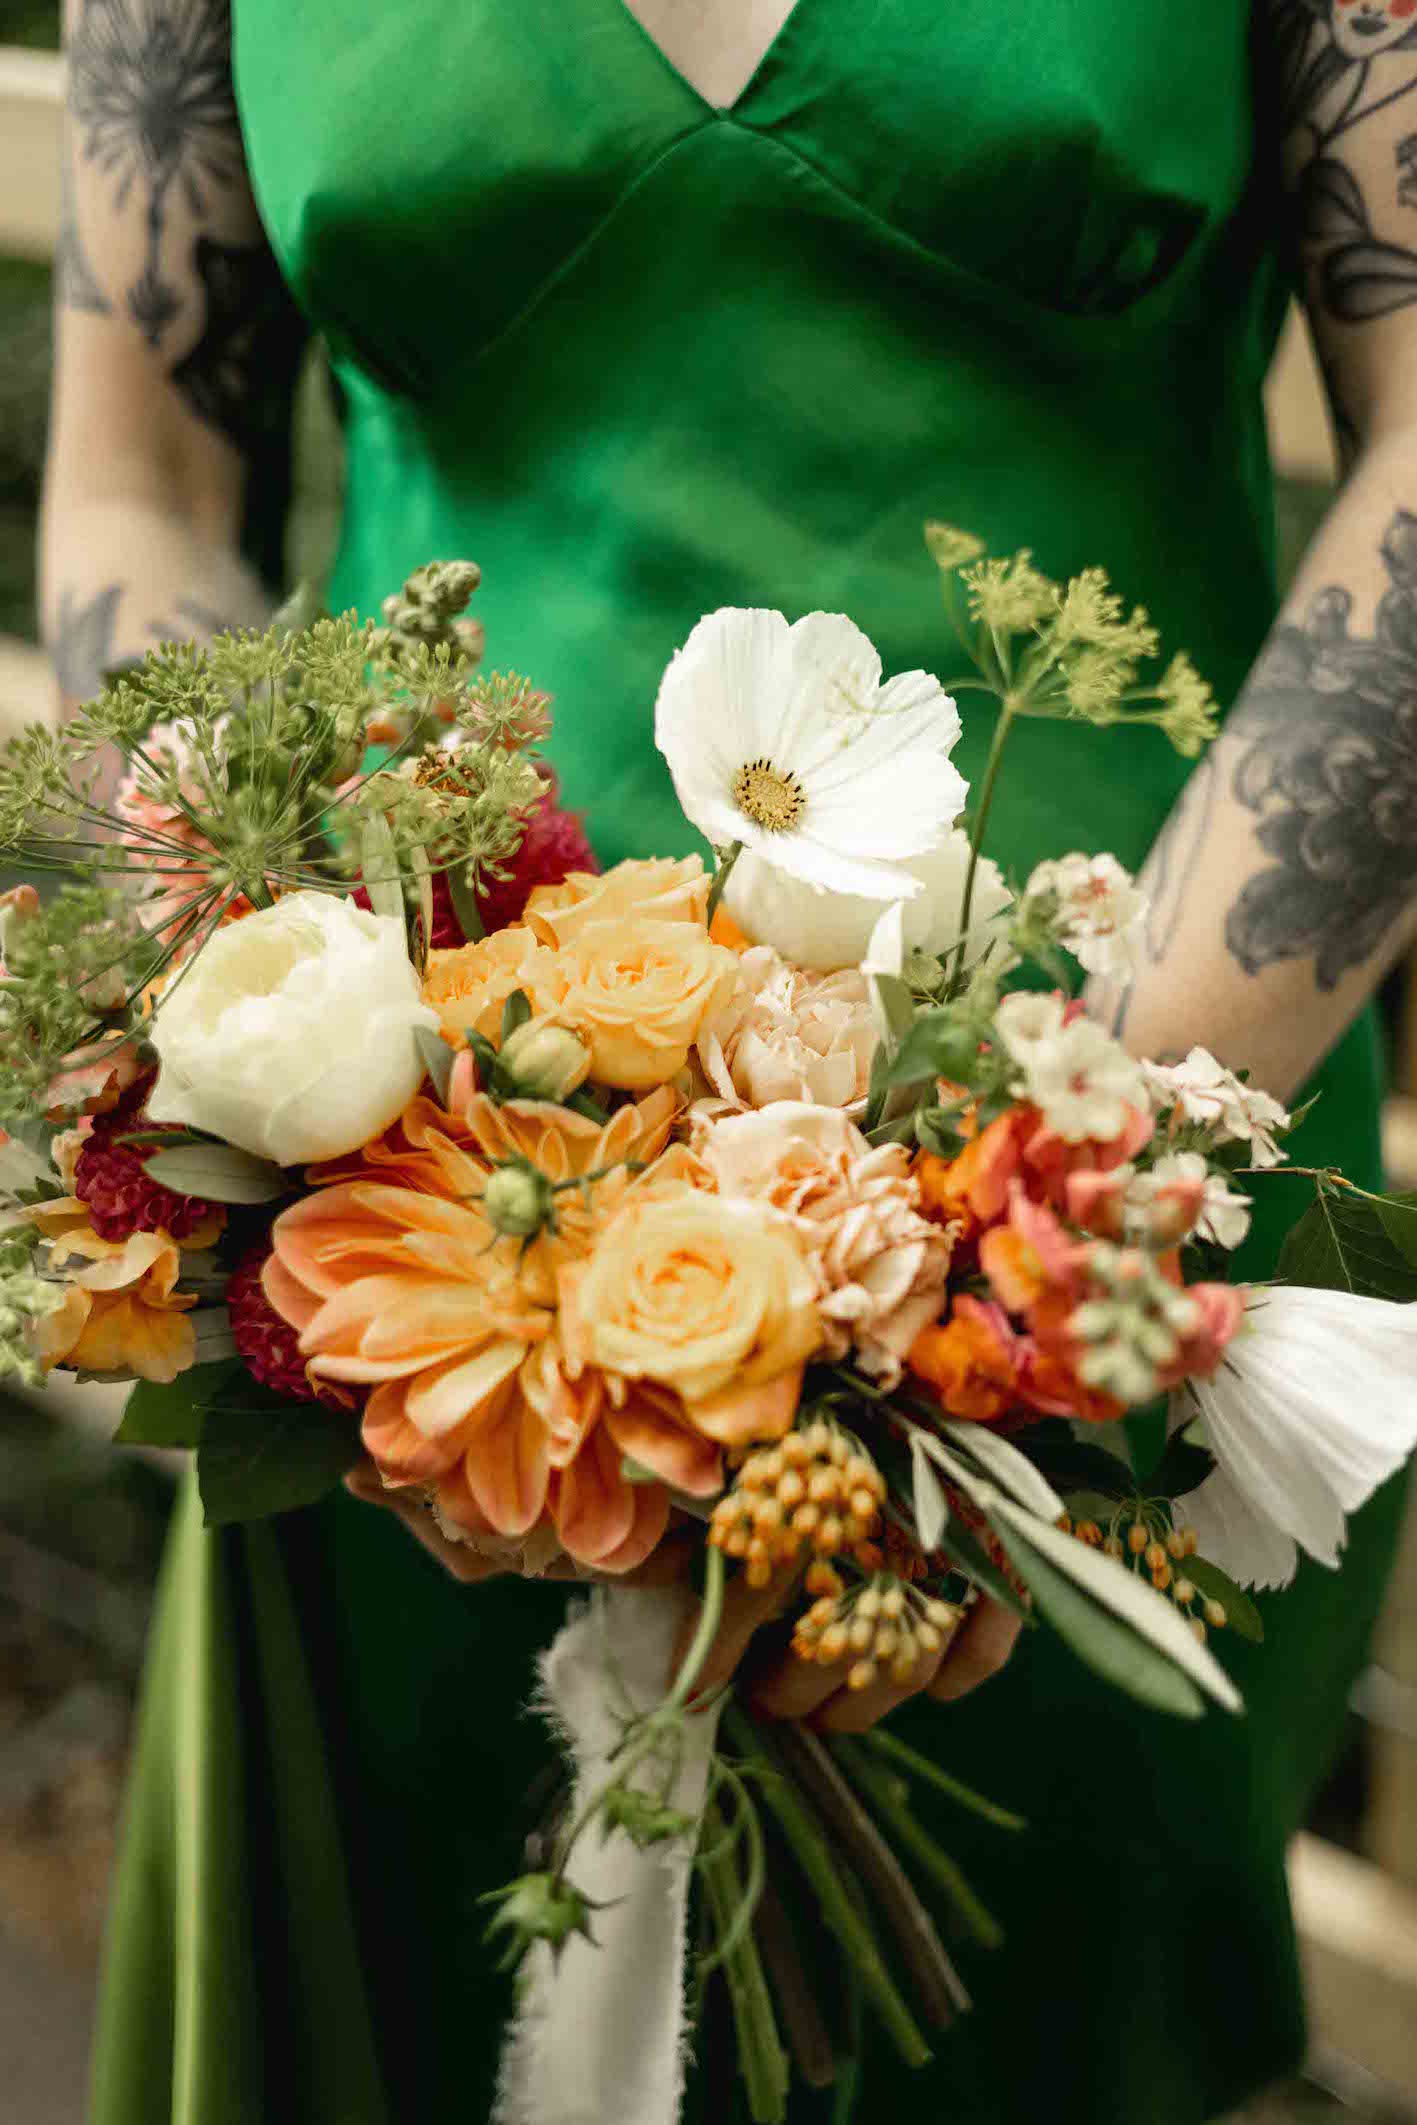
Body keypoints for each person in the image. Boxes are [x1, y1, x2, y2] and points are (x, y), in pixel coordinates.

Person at [42, 2, 1416, 2120]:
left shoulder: (1056, 1252)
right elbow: (146, 486)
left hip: (1099, 1250)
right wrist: (305, 1110)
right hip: (408, 1270)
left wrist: (990, 1262)